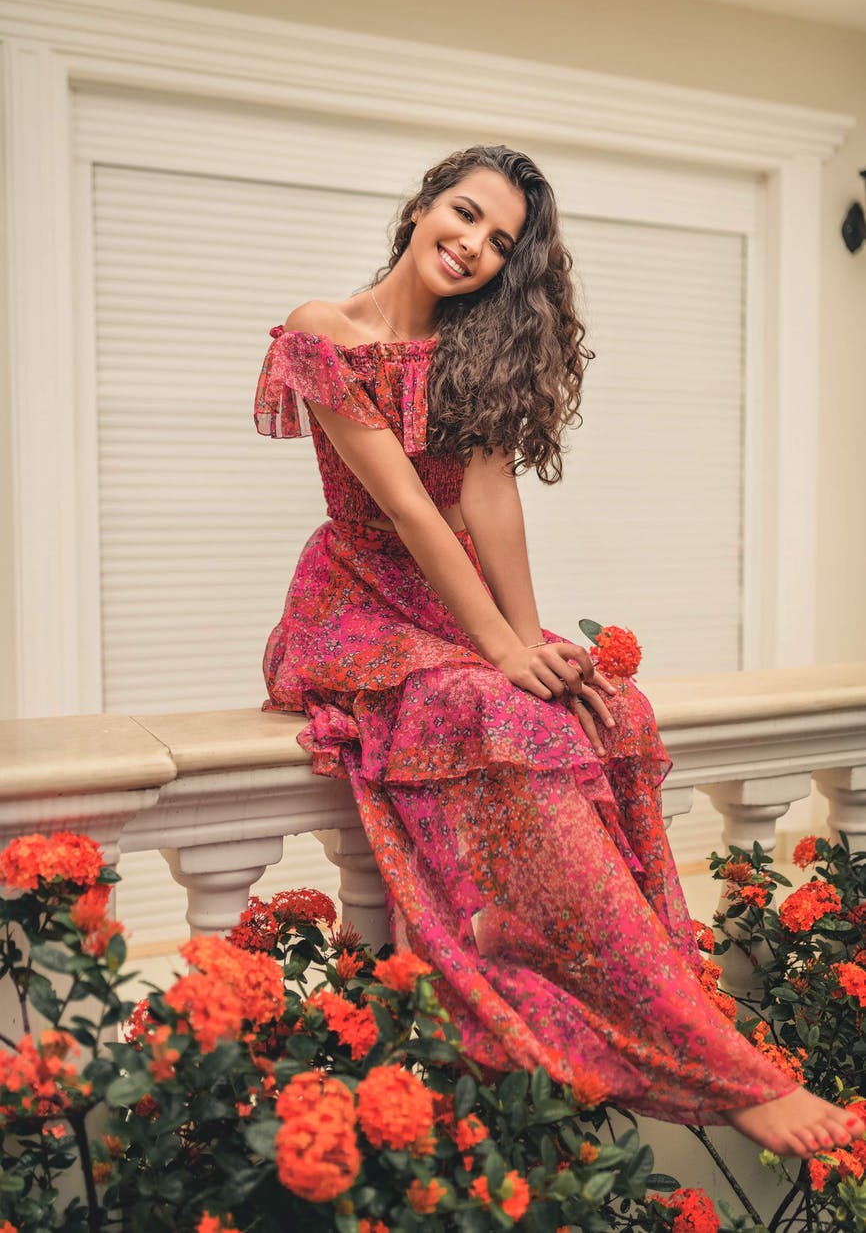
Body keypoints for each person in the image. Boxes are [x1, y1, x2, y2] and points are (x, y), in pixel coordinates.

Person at [254, 144, 862, 1159]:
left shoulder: (471, 348)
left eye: (498, 243)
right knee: (499, 703)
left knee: (602, 705)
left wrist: (527, 640)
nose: (472, 246)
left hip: (452, 597)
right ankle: (714, 1062)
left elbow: (487, 498)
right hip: (357, 596)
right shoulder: (325, 331)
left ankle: (638, 983)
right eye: (462, 214)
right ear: (418, 207)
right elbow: (404, 505)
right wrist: (497, 654)